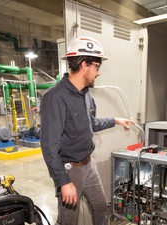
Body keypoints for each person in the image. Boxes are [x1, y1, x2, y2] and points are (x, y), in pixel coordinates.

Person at [40, 36, 134, 225]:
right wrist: (63, 182)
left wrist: (115, 120)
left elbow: (91, 124)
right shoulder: (55, 97)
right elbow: (49, 146)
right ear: (84, 64)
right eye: (97, 66)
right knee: (68, 221)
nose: (98, 73)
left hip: (88, 166)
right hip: (70, 171)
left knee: (100, 207)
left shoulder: (86, 95)